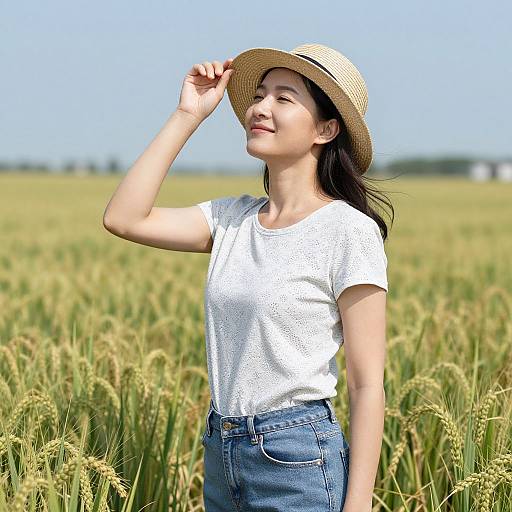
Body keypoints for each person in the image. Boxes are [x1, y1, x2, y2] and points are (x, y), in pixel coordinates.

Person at [103, 43, 393, 512]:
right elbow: (123, 218)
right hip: (222, 451)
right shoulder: (231, 219)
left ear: (326, 128)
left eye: (284, 97)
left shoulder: (347, 231)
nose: (260, 107)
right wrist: (187, 114)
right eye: (259, 94)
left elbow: (366, 383)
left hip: (297, 456)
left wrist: (356, 505)